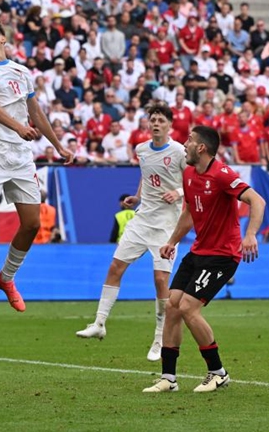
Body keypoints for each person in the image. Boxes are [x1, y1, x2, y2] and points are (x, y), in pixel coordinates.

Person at [0, 16, 73, 320]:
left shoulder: (22, 72)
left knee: (32, 224)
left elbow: (35, 111)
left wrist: (58, 145)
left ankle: (6, 277)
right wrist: (19, 127)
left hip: (21, 155)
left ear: (2, 38)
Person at [144, 125, 266, 393]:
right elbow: (188, 213)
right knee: (172, 306)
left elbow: (257, 201)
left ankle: (218, 373)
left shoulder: (223, 174)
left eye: (189, 140)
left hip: (223, 255)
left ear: (201, 148)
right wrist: (172, 241)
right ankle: (168, 378)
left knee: (188, 307)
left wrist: (250, 235)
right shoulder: (188, 174)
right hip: (199, 252)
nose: (184, 144)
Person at [77, 104, 186, 361]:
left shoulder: (179, 151)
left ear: (170, 125)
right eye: (153, 120)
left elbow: (192, 180)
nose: (156, 124)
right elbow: (146, 177)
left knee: (160, 280)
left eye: (161, 120)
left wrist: (178, 192)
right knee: (115, 267)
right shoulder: (142, 150)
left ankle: (159, 337)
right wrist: (137, 197)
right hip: (142, 220)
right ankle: (99, 323)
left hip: (167, 225)